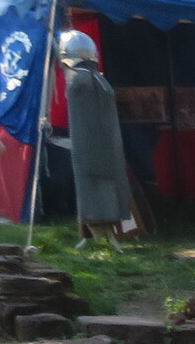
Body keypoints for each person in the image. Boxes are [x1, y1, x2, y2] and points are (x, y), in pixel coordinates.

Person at [59, 31, 137, 239]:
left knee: (96, 191)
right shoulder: (100, 81)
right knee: (104, 188)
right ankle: (103, 235)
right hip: (104, 147)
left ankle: (102, 234)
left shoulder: (80, 81)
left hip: (90, 148)